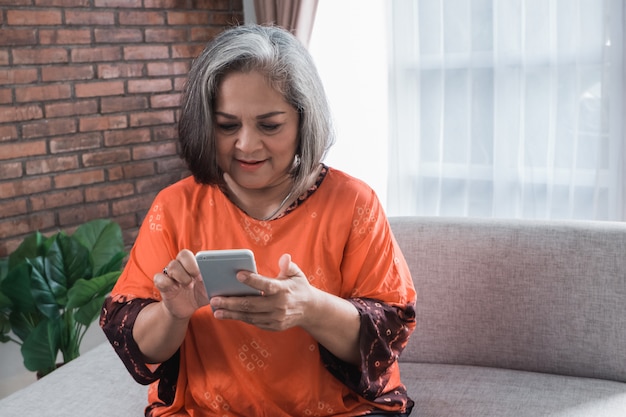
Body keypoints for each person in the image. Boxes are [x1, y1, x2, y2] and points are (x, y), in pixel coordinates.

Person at [100, 24, 416, 417]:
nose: (247, 145)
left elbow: (386, 338)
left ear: (303, 121)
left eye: (270, 125)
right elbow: (138, 345)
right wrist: (172, 313)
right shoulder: (175, 207)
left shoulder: (354, 203)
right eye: (227, 125)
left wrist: (310, 308)